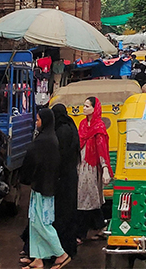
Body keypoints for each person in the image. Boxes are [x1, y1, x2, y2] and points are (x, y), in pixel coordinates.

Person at [22, 106, 69, 269]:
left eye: (38, 120)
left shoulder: (44, 141)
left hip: (43, 188)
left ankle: (61, 254)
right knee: (35, 222)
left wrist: (26, 178)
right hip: (43, 187)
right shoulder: (50, 138)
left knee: (42, 224)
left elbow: (32, 161)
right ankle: (38, 258)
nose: (36, 123)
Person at [76, 96, 112, 241]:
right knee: (89, 199)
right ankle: (100, 227)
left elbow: (102, 149)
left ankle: (81, 233)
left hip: (92, 167)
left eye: (87, 106)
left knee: (86, 199)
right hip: (81, 165)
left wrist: (104, 168)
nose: (84, 109)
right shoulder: (83, 124)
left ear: (94, 108)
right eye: (84, 106)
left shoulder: (99, 127)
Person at [52, 102, 81, 259]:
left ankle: (61, 249)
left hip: (62, 177)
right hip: (71, 176)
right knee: (70, 212)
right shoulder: (71, 127)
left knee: (61, 213)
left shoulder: (61, 131)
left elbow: (59, 155)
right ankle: (69, 246)